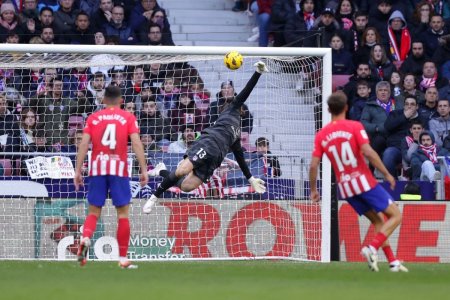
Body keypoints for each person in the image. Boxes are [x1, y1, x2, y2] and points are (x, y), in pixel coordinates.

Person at [143, 62, 269, 213]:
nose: (242, 106)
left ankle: (161, 170)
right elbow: (246, 91)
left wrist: (251, 179)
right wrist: (257, 73)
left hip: (214, 160)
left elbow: (240, 159)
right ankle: (154, 197)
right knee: (182, 170)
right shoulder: (232, 109)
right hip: (208, 144)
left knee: (186, 186)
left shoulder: (236, 135)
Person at [309, 91, 407, 272]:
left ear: (329, 109)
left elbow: (314, 165)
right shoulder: (354, 126)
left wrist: (313, 189)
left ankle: (392, 262)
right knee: (396, 215)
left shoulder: (322, 134)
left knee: (378, 222)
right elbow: (368, 152)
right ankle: (371, 248)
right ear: (346, 108)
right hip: (363, 181)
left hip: (345, 188)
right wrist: (386, 173)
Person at [74, 85, 148, 268]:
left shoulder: (93, 118)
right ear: (121, 100)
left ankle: (85, 238)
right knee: (122, 214)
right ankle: (122, 259)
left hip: (97, 168)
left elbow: (84, 144)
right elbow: (137, 143)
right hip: (118, 169)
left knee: (93, 212)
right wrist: (143, 169)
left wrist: (77, 170)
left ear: (104, 100)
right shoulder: (128, 117)